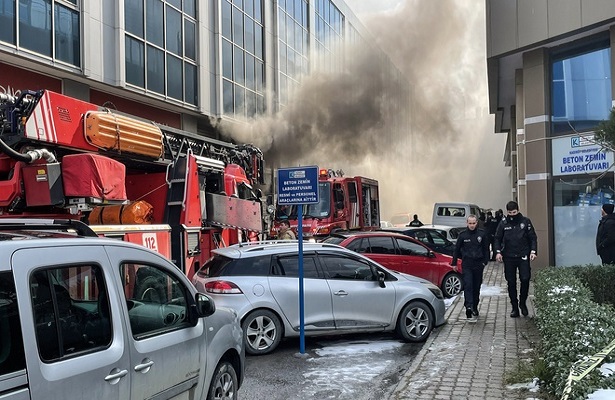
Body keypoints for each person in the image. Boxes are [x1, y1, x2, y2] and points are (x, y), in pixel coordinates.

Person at [494, 201, 538, 318]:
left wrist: (533, 251)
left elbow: (532, 237)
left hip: (523, 255)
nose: (512, 215)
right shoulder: (503, 223)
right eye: (510, 213)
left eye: (514, 212)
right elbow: (497, 238)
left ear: (518, 210)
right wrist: (498, 252)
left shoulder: (525, 221)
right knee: (511, 281)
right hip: (509, 256)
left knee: (525, 278)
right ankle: (514, 307)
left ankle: (522, 302)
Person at [451, 215, 490, 321]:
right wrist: (454, 263)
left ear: (476, 223)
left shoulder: (481, 234)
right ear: (467, 223)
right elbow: (456, 249)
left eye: (474, 223)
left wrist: (485, 262)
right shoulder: (463, 235)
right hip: (467, 264)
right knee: (468, 285)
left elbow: (486, 248)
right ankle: (468, 306)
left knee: (476, 287)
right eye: (470, 223)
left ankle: (474, 307)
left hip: (478, 264)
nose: (472, 225)